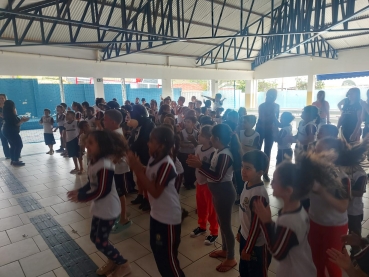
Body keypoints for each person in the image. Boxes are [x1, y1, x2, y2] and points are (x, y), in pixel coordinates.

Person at [254, 149, 343, 277]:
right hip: (303, 268)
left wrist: (266, 222)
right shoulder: (297, 209)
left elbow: (277, 252)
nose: (271, 183)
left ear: (288, 190)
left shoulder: (290, 220)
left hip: (295, 272)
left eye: (275, 181)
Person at [67, 130, 131, 277]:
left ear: (102, 146)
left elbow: (103, 190)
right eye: (86, 142)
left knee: (100, 241)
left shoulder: (105, 165)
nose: (86, 145)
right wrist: (80, 190)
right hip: (99, 206)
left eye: (91, 143)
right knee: (95, 238)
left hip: (108, 208)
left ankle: (123, 264)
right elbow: (92, 183)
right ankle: (113, 260)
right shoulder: (93, 161)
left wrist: (81, 197)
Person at [127, 127, 185, 277]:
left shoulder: (167, 164)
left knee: (169, 261)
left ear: (161, 145)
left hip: (169, 218)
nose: (148, 143)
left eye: (151, 141)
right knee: (158, 253)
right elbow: (150, 173)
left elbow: (155, 191)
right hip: (157, 215)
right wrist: (140, 167)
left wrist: (137, 170)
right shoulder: (154, 158)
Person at [187, 124, 241, 272]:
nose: (210, 138)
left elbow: (217, 177)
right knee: (221, 222)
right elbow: (213, 170)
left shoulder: (225, 154)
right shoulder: (219, 151)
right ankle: (224, 250)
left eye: (211, 136)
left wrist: (200, 166)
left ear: (216, 138)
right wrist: (200, 164)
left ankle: (231, 258)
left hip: (224, 193)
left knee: (226, 226)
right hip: (218, 193)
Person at [309, 137, 353, 277]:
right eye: (315, 151)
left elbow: (342, 206)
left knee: (332, 264)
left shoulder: (342, 178)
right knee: (316, 259)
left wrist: (322, 192)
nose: (314, 155)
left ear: (333, 156)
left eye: (319, 152)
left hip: (334, 227)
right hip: (315, 222)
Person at [237, 150, 271, 277]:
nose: (243, 171)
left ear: (260, 173)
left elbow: (257, 226)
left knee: (256, 273)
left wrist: (249, 248)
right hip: (246, 238)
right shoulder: (247, 184)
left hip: (256, 245)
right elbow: (244, 212)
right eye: (242, 166)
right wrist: (241, 231)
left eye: (248, 168)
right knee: (244, 270)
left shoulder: (258, 195)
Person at [104, 109, 132, 233]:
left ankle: (124, 218)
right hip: (113, 169)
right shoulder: (113, 132)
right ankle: (117, 213)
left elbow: (120, 153)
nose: (103, 122)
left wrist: (110, 163)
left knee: (120, 194)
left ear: (113, 122)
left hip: (119, 169)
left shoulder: (117, 135)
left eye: (105, 120)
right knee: (115, 192)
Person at [189, 125, 218, 245]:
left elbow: (211, 169)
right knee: (201, 206)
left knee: (211, 209)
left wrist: (199, 164)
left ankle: (214, 232)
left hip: (208, 184)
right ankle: (202, 226)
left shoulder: (213, 151)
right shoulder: (198, 148)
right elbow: (196, 163)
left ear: (208, 138)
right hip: (199, 182)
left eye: (201, 134)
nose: (198, 136)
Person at [129, 105, 155, 211]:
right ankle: (141, 195)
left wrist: (130, 149)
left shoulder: (148, 124)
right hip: (139, 153)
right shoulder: (138, 125)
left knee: (146, 177)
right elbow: (133, 138)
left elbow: (143, 140)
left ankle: (148, 200)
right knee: (139, 178)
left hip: (146, 154)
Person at [255, 89, 279, 182]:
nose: (272, 97)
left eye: (274, 95)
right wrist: (272, 115)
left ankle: (265, 173)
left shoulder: (277, 106)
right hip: (261, 129)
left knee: (267, 152)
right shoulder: (262, 106)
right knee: (258, 150)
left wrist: (277, 132)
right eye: (270, 95)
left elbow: (276, 120)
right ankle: (257, 171)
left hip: (270, 131)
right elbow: (262, 119)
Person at [2, 100, 29, 166]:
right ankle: (16, 161)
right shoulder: (11, 115)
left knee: (13, 146)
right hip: (11, 132)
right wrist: (22, 120)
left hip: (6, 131)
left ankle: (13, 160)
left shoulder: (6, 113)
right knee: (19, 145)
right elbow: (16, 124)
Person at [178, 116, 198, 190]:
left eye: (188, 122)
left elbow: (197, 143)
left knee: (192, 169)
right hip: (183, 154)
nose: (186, 123)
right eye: (185, 121)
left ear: (193, 123)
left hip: (192, 153)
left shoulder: (196, 132)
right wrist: (188, 145)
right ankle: (186, 183)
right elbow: (180, 143)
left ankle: (191, 182)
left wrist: (193, 144)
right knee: (186, 169)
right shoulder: (182, 132)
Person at [0, 94, 10, 159]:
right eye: (0, 98)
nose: (2, 99)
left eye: (3, 98)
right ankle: (7, 154)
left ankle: (15, 153)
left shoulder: (8, 106)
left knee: (12, 139)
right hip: (1, 125)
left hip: (9, 124)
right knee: (4, 140)